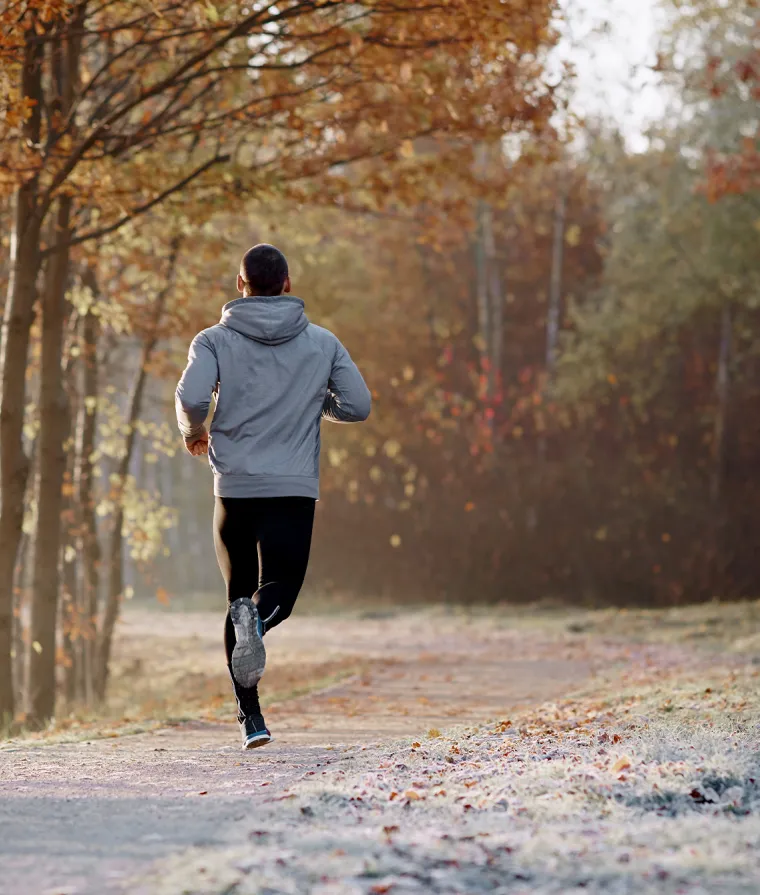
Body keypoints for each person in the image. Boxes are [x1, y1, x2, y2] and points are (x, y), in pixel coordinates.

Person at [175, 244, 371, 749]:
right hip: (292, 488)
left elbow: (192, 397)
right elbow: (358, 405)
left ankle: (251, 718)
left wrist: (194, 431)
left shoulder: (213, 340)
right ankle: (257, 621)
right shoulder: (322, 343)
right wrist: (315, 401)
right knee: (278, 590)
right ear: (287, 284)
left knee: (237, 595)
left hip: (234, 488)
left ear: (240, 286)